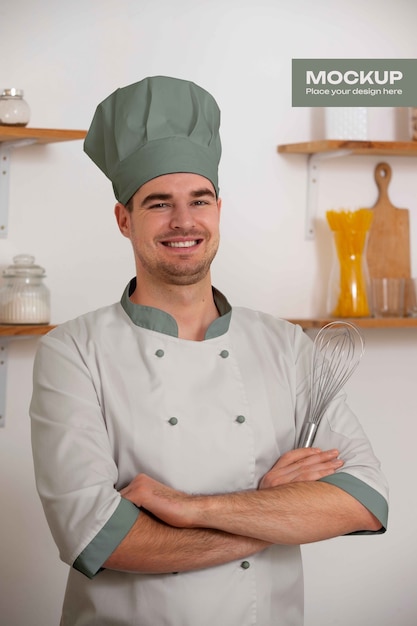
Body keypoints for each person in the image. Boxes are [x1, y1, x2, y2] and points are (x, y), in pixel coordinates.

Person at [30, 76, 388, 626]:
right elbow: (102, 539)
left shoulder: (286, 345)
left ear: (218, 209)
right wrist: (276, 510)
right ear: (124, 219)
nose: (183, 222)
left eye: (199, 200)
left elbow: (362, 501)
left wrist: (190, 509)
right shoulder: (72, 352)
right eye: (158, 204)